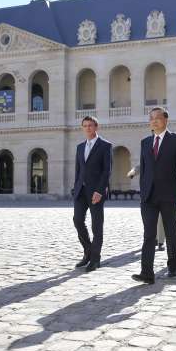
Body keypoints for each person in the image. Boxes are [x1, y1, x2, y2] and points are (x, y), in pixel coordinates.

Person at [132, 107, 176, 285]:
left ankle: (173, 265)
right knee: (149, 233)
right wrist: (142, 189)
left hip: (169, 193)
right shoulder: (145, 142)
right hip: (148, 195)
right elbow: (144, 168)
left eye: (157, 117)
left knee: (171, 230)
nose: (154, 121)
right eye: (151, 118)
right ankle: (147, 273)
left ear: (166, 120)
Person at [72, 116, 112, 272]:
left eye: (90, 125)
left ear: (96, 127)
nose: (88, 128)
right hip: (81, 191)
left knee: (97, 226)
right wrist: (75, 187)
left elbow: (107, 171)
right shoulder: (80, 147)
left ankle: (95, 259)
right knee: (77, 220)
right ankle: (88, 251)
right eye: (85, 125)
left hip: (96, 192)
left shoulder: (105, 145)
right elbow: (78, 170)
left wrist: (100, 191)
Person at [127, 165, 165, 251]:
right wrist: (133, 172)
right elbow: (140, 166)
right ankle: (153, 239)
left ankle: (160, 241)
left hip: (162, 191)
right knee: (149, 219)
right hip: (148, 193)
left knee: (161, 218)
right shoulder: (148, 156)